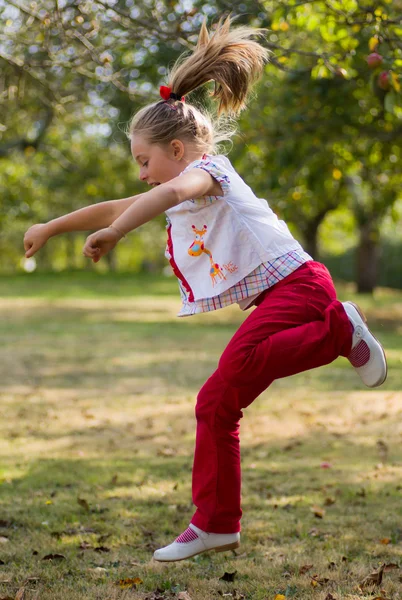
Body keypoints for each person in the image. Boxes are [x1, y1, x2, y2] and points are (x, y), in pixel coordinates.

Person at [24, 16, 387, 563]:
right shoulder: (175, 185)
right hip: (284, 296)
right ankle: (217, 523)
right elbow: (116, 206)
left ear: (177, 148)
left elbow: (155, 200)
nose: (143, 176)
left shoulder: (208, 172)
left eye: (145, 162)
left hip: (302, 288)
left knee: (226, 382)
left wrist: (119, 232)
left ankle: (340, 328)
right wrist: (52, 228)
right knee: (217, 402)